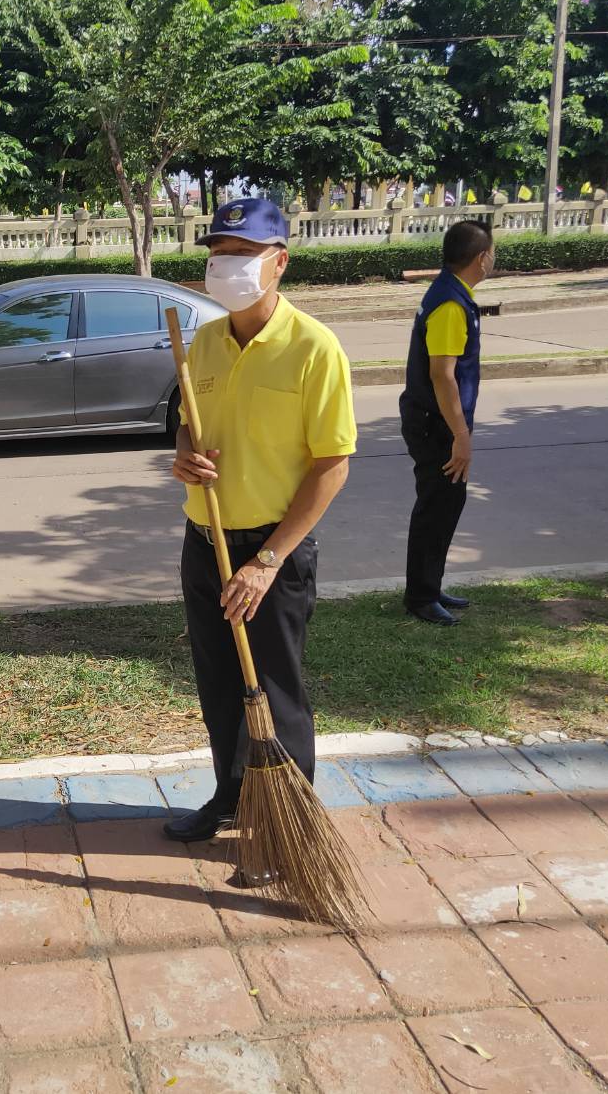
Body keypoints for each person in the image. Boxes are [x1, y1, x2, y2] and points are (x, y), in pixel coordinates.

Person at [165, 198, 357, 864]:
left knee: (274, 690)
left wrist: (268, 561)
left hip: (270, 551)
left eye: (243, 254)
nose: (228, 266)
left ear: (278, 262)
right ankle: (230, 795)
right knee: (218, 683)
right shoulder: (204, 341)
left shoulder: (314, 348)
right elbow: (191, 425)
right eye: (219, 253)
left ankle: (285, 828)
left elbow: (331, 466)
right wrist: (185, 451)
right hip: (207, 541)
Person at [399, 220, 495, 625]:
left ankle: (430, 585)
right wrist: (461, 436)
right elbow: (443, 375)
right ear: (482, 258)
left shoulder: (451, 293)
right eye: (492, 252)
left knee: (445, 503)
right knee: (436, 506)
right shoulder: (451, 304)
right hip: (435, 424)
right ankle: (421, 597)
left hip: (435, 420)